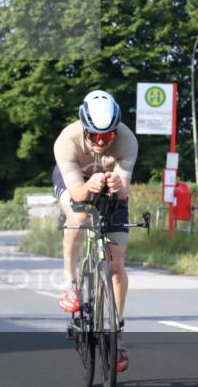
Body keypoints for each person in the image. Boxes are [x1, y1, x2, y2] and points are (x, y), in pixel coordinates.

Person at [53, 90, 137, 372]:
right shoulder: (66, 141)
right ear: (84, 128)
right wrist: (90, 186)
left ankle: (117, 329)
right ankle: (70, 280)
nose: (102, 142)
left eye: (108, 136)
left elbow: (124, 193)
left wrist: (117, 185)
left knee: (116, 263)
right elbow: (77, 192)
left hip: (107, 187)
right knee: (78, 216)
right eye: (95, 136)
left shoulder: (127, 141)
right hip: (76, 182)